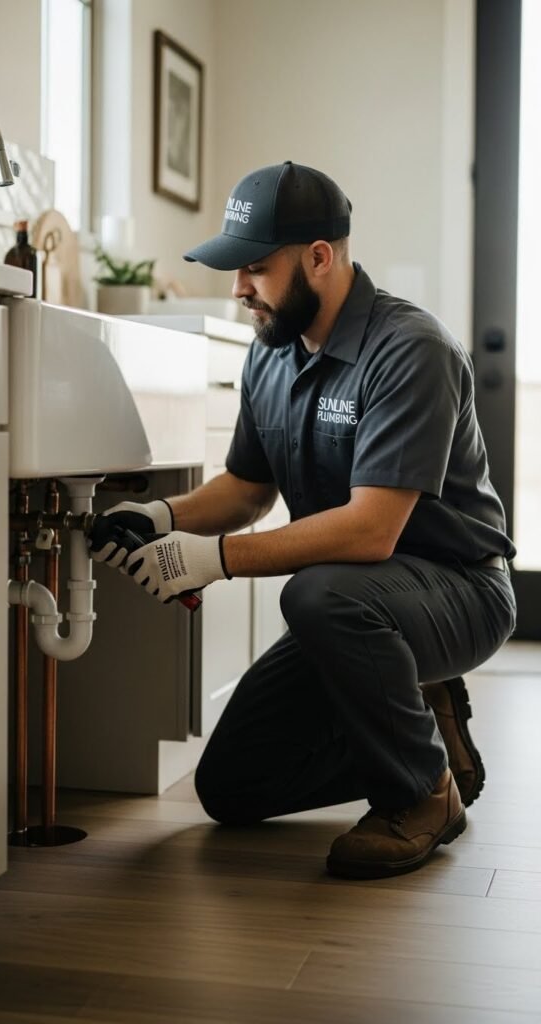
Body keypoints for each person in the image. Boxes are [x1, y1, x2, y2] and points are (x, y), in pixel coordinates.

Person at [89, 160, 517, 880]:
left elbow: (370, 531)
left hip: (458, 590)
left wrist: (213, 558)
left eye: (255, 268)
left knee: (316, 592)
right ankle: (425, 731)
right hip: (359, 603)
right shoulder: (272, 355)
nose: (239, 290)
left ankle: (421, 793)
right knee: (229, 787)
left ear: (320, 257)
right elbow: (248, 489)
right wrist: (161, 515)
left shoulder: (411, 350)